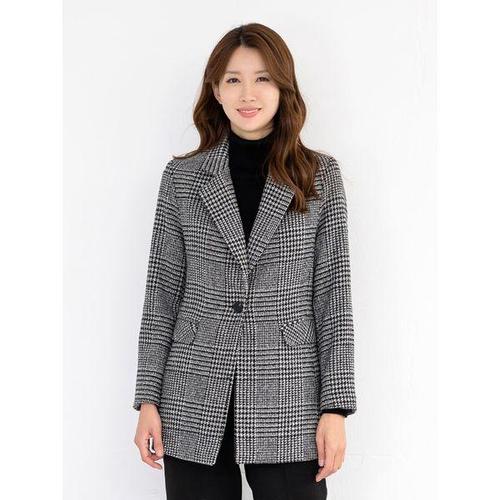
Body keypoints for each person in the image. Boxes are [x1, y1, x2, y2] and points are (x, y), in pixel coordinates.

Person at [132, 23, 357, 500]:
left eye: (263, 78)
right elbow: (162, 293)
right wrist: (148, 398)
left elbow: (333, 297)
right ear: (215, 90)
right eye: (233, 79)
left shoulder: (318, 176)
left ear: (283, 87)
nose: (247, 94)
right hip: (193, 394)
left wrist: (335, 408)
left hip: (290, 396)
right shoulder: (182, 178)